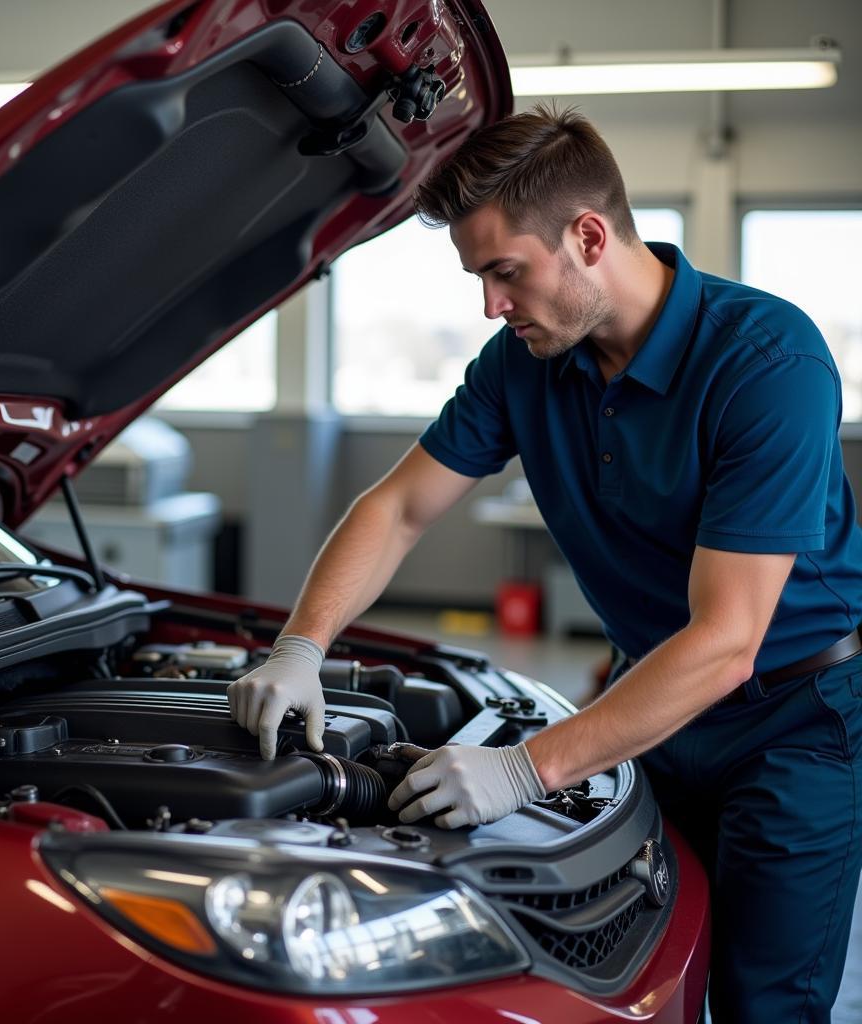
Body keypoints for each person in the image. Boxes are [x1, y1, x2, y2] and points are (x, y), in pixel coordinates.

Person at [226, 103, 862, 1023]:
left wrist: (526, 772)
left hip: (790, 723)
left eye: (505, 272)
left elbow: (728, 642)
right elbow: (399, 506)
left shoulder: (768, 361)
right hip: (644, 702)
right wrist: (300, 646)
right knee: (634, 972)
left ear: (589, 236)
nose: (491, 304)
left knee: (766, 1002)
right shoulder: (524, 362)